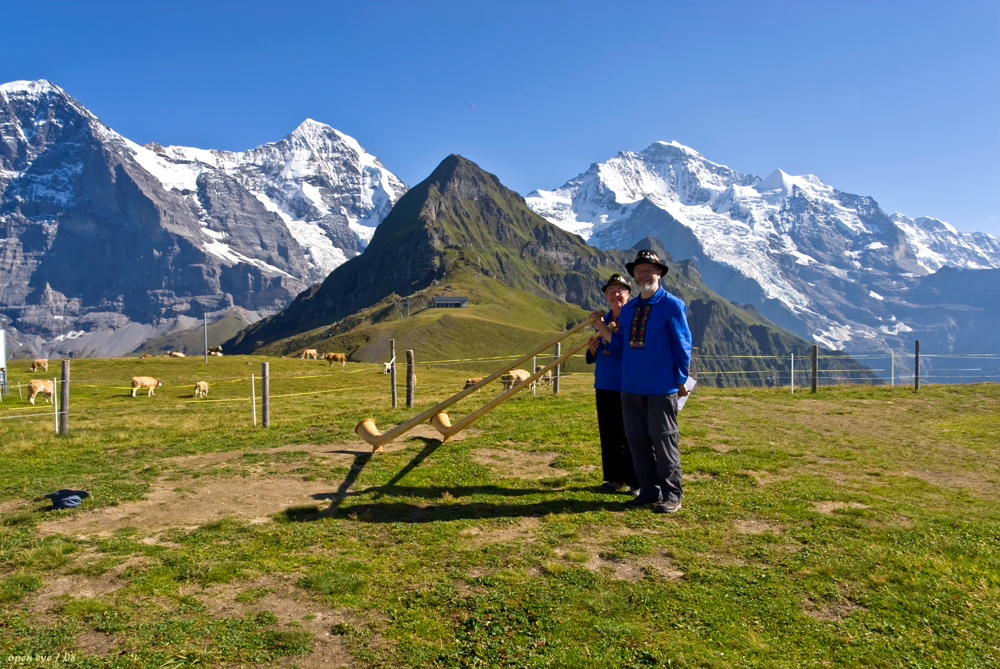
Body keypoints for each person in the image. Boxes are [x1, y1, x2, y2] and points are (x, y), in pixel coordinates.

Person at [593, 249, 692, 514]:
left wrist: (681, 378)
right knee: (636, 441)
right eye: (639, 271)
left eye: (649, 269)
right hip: (630, 387)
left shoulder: (672, 305)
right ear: (634, 277)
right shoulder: (629, 310)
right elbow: (620, 345)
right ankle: (648, 491)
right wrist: (601, 332)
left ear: (659, 273)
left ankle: (672, 495)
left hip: (661, 387)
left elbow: (683, 345)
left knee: (664, 440)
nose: (643, 274)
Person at [586, 273, 639, 495]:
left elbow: (623, 348)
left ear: (628, 294)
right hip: (604, 384)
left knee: (630, 434)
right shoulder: (605, 319)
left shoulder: (633, 319)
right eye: (610, 292)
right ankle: (614, 478)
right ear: (606, 296)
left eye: (620, 291)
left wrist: (602, 328)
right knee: (608, 433)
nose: (615, 295)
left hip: (626, 384)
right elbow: (593, 357)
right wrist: (592, 350)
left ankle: (635, 481)